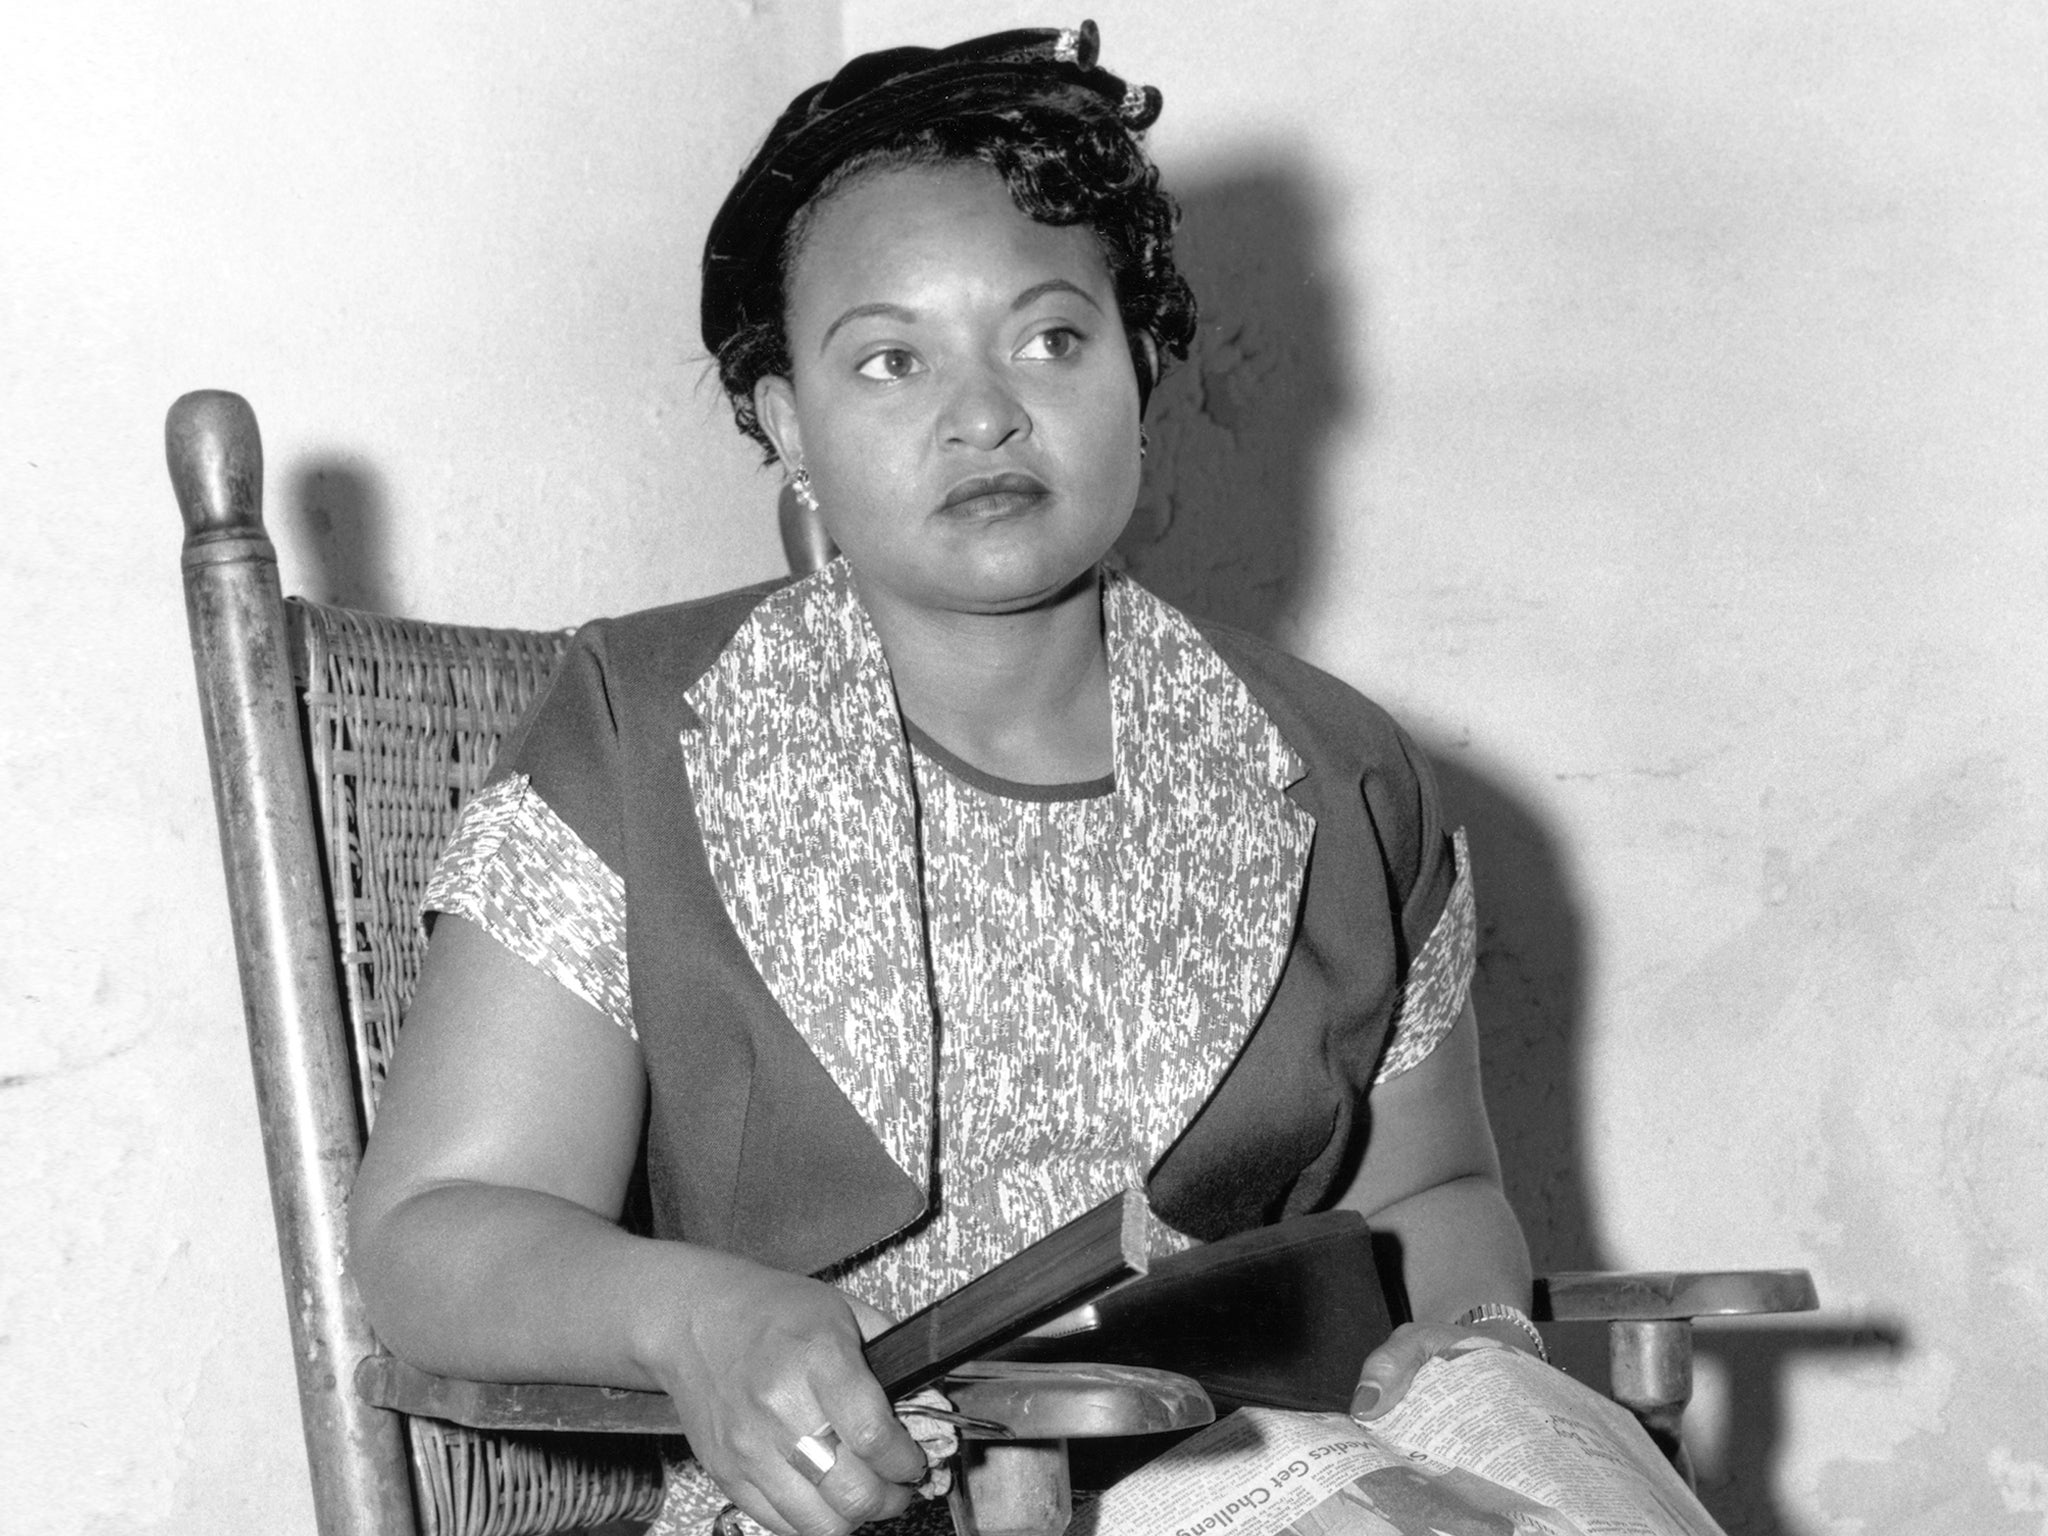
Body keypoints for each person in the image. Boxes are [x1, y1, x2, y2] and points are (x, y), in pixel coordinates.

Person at [348, 21, 1540, 1536]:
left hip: (1313, 1478)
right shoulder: (643, 730)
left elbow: (1433, 1205)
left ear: (1141, 364)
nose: (983, 413)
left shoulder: (1344, 770)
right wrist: (692, 1318)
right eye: (892, 359)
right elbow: (434, 1234)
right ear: (791, 424)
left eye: (1050, 338)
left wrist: (1474, 1347)